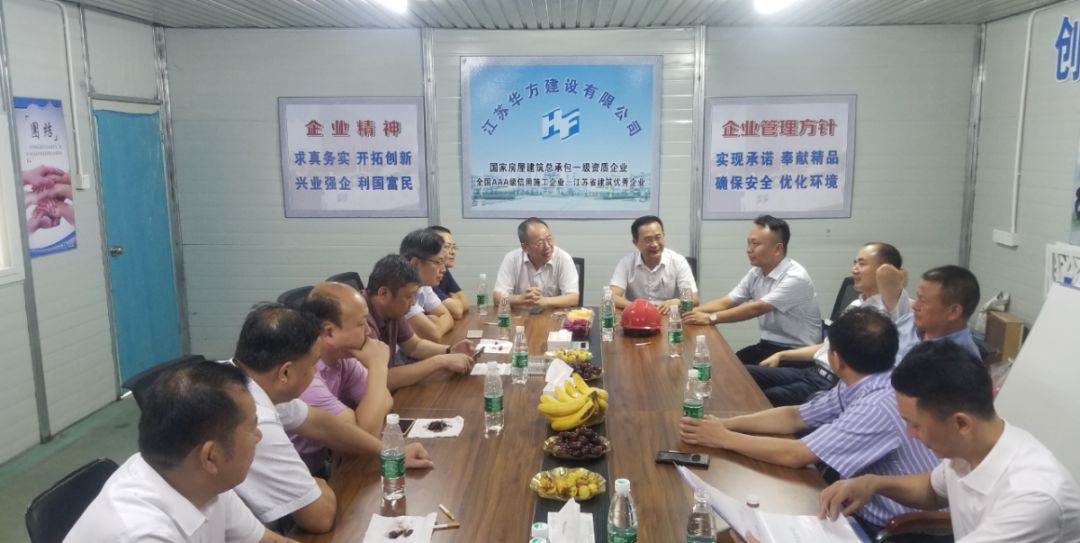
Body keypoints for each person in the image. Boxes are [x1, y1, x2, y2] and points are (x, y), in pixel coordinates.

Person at [680, 306, 939, 534]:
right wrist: (725, 424)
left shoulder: (877, 404)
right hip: (857, 502)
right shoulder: (865, 382)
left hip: (900, 527)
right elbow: (795, 416)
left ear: (836, 359)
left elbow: (798, 455)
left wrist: (723, 438)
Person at [820, 341, 1080, 542]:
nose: (910, 433)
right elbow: (933, 490)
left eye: (915, 424)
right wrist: (873, 483)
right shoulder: (970, 448)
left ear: (961, 423)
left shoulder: (1032, 497)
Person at [229, 303, 432, 533]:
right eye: (312, 366)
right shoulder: (255, 422)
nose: (316, 373)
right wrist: (316, 482)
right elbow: (321, 517)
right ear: (285, 372)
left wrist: (389, 452)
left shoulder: (246, 381)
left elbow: (320, 423)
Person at [65, 360, 296, 542]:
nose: (258, 436)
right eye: (252, 428)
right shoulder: (142, 534)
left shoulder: (203, 483)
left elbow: (266, 540)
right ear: (210, 457)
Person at [745, 242, 914, 406]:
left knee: (767, 397)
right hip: (812, 371)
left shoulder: (893, 307)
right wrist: (782, 355)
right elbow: (826, 346)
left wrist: (891, 272)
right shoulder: (856, 305)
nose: (854, 269)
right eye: (855, 263)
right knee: (746, 373)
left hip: (831, 384)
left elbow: (890, 276)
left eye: (862, 264)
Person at [292, 282, 432, 474]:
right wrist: (377, 365)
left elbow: (386, 400)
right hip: (302, 476)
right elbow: (365, 435)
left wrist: (363, 420)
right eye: (361, 323)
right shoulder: (306, 379)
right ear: (329, 332)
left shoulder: (343, 357)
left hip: (326, 464)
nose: (368, 331)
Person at [684, 215, 822, 364]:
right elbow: (727, 302)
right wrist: (691, 313)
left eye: (755, 244)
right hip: (768, 346)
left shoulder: (795, 277)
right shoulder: (756, 273)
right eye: (748, 243)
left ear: (778, 249)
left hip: (797, 355)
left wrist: (711, 318)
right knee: (726, 364)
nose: (749, 250)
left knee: (735, 372)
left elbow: (756, 308)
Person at [365, 254, 477, 390]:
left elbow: (414, 346)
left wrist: (449, 350)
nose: (413, 303)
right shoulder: (361, 319)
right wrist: (440, 361)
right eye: (408, 296)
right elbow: (381, 379)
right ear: (384, 293)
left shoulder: (392, 309)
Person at [608, 215, 698, 311]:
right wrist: (638, 306)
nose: (654, 244)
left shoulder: (678, 261)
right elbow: (612, 296)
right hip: (638, 315)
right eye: (648, 240)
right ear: (635, 243)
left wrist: (678, 302)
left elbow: (695, 298)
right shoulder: (626, 263)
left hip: (668, 315)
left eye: (658, 238)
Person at [493, 217, 579, 308]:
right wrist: (521, 299)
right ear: (525, 247)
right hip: (520, 315)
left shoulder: (563, 258)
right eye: (540, 243)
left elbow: (573, 298)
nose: (547, 246)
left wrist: (545, 301)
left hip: (552, 315)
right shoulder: (512, 259)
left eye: (549, 238)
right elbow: (497, 298)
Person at [910, 265, 981, 360]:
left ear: (953, 312)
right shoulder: (909, 321)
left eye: (923, 301)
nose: (914, 306)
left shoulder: (959, 362)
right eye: (917, 297)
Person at [400, 228, 456, 341]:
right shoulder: (400, 291)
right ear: (415, 263)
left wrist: (432, 322)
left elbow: (448, 317)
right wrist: (433, 321)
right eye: (438, 262)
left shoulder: (423, 286)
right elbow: (433, 334)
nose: (443, 269)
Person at [429, 225, 469, 318]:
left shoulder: (444, 270)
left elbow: (465, 302)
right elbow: (457, 310)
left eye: (454, 247)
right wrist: (453, 299)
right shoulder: (427, 275)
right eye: (447, 247)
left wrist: (453, 302)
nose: (453, 252)